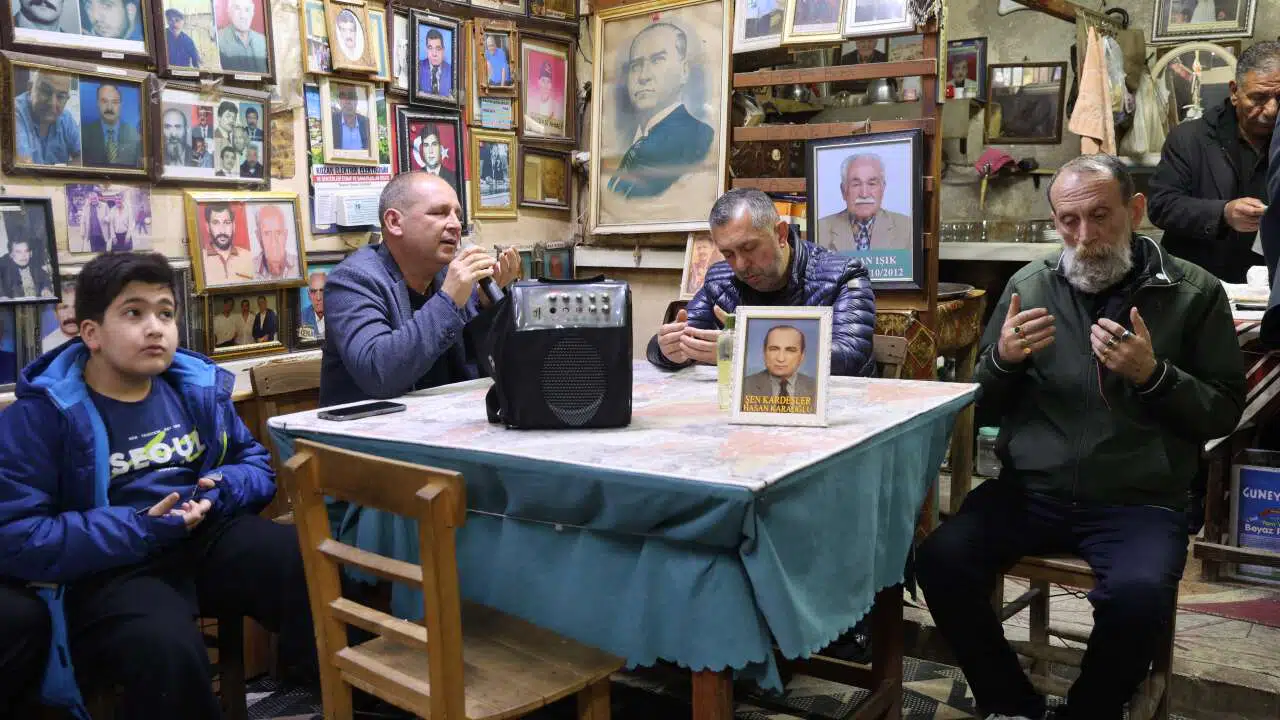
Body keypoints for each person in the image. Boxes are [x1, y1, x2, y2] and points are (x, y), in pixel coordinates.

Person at [916, 155, 1245, 720]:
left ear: (1135, 211)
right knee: (940, 561)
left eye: (1100, 215)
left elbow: (1223, 412)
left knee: (1139, 598)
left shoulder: (1194, 292)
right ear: (1055, 222)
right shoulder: (1030, 286)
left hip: (1139, 500)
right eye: (1069, 220)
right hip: (1031, 492)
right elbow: (979, 403)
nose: (1085, 236)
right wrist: (1003, 360)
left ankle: (1088, 711)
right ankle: (1012, 702)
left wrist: (1154, 375)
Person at [0, 252, 317, 719]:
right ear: (91, 333)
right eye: (134, 313)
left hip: (200, 536)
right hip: (113, 565)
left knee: (302, 558)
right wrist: (140, 527)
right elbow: (17, 535)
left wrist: (218, 489)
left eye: (166, 313)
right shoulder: (43, 414)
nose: (155, 328)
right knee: (167, 647)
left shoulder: (195, 386)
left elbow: (254, 464)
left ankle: (321, 692)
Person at [320, 171, 520, 407]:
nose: (456, 225)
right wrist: (448, 300)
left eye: (457, 215)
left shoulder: (447, 275)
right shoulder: (352, 280)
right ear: (394, 222)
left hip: (445, 418)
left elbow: (488, 368)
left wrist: (485, 307)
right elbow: (378, 373)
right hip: (370, 426)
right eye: (439, 213)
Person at [648, 188, 876, 376]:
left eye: (749, 248)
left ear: (780, 234)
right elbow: (682, 338)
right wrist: (667, 350)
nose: (740, 265)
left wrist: (747, 351)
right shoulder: (721, 281)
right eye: (728, 254)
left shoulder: (843, 276)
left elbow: (851, 357)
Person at [1150, 41, 1280, 284]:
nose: (1272, 110)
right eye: (1259, 98)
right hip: (1198, 282)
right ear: (1234, 92)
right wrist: (1223, 214)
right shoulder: (1189, 138)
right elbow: (1161, 206)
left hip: (1270, 283)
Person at [606, 22, 715, 199]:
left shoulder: (698, 137)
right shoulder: (636, 142)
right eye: (636, 66)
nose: (643, 77)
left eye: (657, 60)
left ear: (684, 71)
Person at [816, 153, 912, 253]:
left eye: (872, 184)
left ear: (883, 189)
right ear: (843, 190)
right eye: (856, 184)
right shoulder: (819, 229)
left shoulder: (907, 228)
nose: (864, 194)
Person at [15, 70, 82, 166]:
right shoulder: (14, 113)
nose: (52, 103)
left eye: (60, 96)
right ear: (30, 88)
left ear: (67, 99)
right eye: (46, 91)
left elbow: (84, 158)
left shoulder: (66, 118)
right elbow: (24, 168)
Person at [740, 325, 817, 405]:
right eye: (774, 349)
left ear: (802, 356)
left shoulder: (817, 388)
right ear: (764, 352)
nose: (781, 358)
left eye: (790, 350)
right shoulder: (744, 386)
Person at [82, 83, 140, 168]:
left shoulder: (135, 135)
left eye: (115, 102)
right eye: (104, 101)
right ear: (97, 103)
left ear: (121, 105)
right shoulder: (83, 134)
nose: (109, 108)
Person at [202, 202, 254, 285]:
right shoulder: (200, 260)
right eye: (216, 223)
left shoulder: (249, 257)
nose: (222, 230)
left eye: (227, 222)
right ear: (208, 227)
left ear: (234, 226)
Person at [219, 0, 268, 73]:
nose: (243, 16)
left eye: (247, 10)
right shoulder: (218, 40)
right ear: (229, 12)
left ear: (252, 13)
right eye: (237, 9)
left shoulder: (263, 40)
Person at [255, 204, 295, 280]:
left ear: (286, 235)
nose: (273, 243)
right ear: (258, 236)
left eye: (278, 233)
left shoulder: (299, 265)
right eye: (267, 234)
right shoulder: (249, 268)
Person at [526, 61, 563, 135]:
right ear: (538, 82)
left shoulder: (557, 107)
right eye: (543, 81)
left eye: (548, 81)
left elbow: (558, 132)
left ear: (551, 85)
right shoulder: (530, 103)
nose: (546, 85)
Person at [332, 85, 370, 151]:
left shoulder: (367, 123)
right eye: (343, 96)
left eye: (351, 96)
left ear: (356, 100)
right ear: (339, 101)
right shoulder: (331, 122)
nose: (348, 101)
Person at [42, 285, 79, 352]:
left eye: (75, 307)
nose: (71, 316)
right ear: (56, 313)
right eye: (64, 308)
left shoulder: (97, 340)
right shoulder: (46, 347)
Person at [301, 270, 327, 341]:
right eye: (313, 291)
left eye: (322, 291)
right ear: (308, 295)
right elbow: (306, 344)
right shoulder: (303, 317)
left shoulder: (340, 315)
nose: (318, 298)